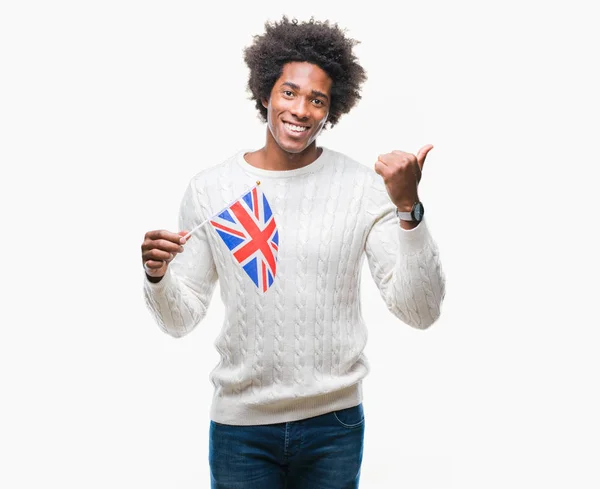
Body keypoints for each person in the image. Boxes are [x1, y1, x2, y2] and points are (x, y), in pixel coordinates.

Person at [141, 16, 445, 489]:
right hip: (240, 430)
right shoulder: (211, 189)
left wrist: (408, 208)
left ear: (331, 111)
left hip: (334, 426)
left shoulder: (363, 189)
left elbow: (421, 310)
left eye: (317, 99)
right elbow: (180, 320)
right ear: (265, 93)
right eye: (289, 92)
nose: (301, 109)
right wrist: (158, 277)